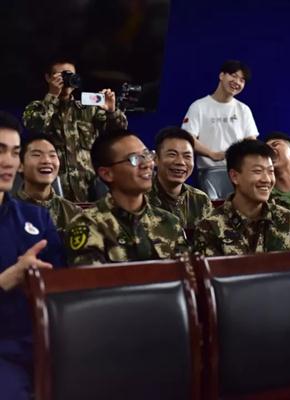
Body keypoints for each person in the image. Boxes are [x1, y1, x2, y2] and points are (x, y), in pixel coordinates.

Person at [0, 111, 65, 400]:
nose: (8, 161)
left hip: (46, 342)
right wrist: (6, 280)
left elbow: (61, 285)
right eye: (0, 150)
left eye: (15, 152)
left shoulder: (37, 218)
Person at [65, 130, 188, 266]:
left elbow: (187, 274)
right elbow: (92, 278)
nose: (147, 164)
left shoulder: (169, 222)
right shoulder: (87, 225)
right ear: (107, 173)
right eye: (134, 159)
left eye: (147, 155)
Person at [22, 57, 128, 202]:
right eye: (62, 75)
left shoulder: (88, 109)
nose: (67, 80)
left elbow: (119, 135)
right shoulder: (38, 107)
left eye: (70, 75)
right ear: (48, 78)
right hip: (53, 191)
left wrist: (111, 111)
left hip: (89, 190)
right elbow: (35, 126)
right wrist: (52, 95)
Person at [194, 140, 290, 256]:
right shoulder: (210, 227)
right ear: (234, 176)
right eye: (258, 171)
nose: (267, 179)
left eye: (270, 171)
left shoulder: (286, 220)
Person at [181, 60, 259, 193]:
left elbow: (251, 141)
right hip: (208, 171)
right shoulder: (199, 106)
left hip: (238, 172)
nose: (237, 82)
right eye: (234, 76)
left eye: (242, 80)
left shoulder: (243, 109)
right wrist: (212, 154)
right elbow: (187, 138)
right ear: (221, 75)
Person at [147, 127, 212, 235]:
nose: (180, 162)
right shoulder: (140, 198)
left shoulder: (200, 200)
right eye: (172, 154)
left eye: (187, 156)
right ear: (156, 159)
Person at [15, 133, 82, 238]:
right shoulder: (6, 211)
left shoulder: (73, 212)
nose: (47, 161)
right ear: (19, 165)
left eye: (52, 155)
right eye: (37, 155)